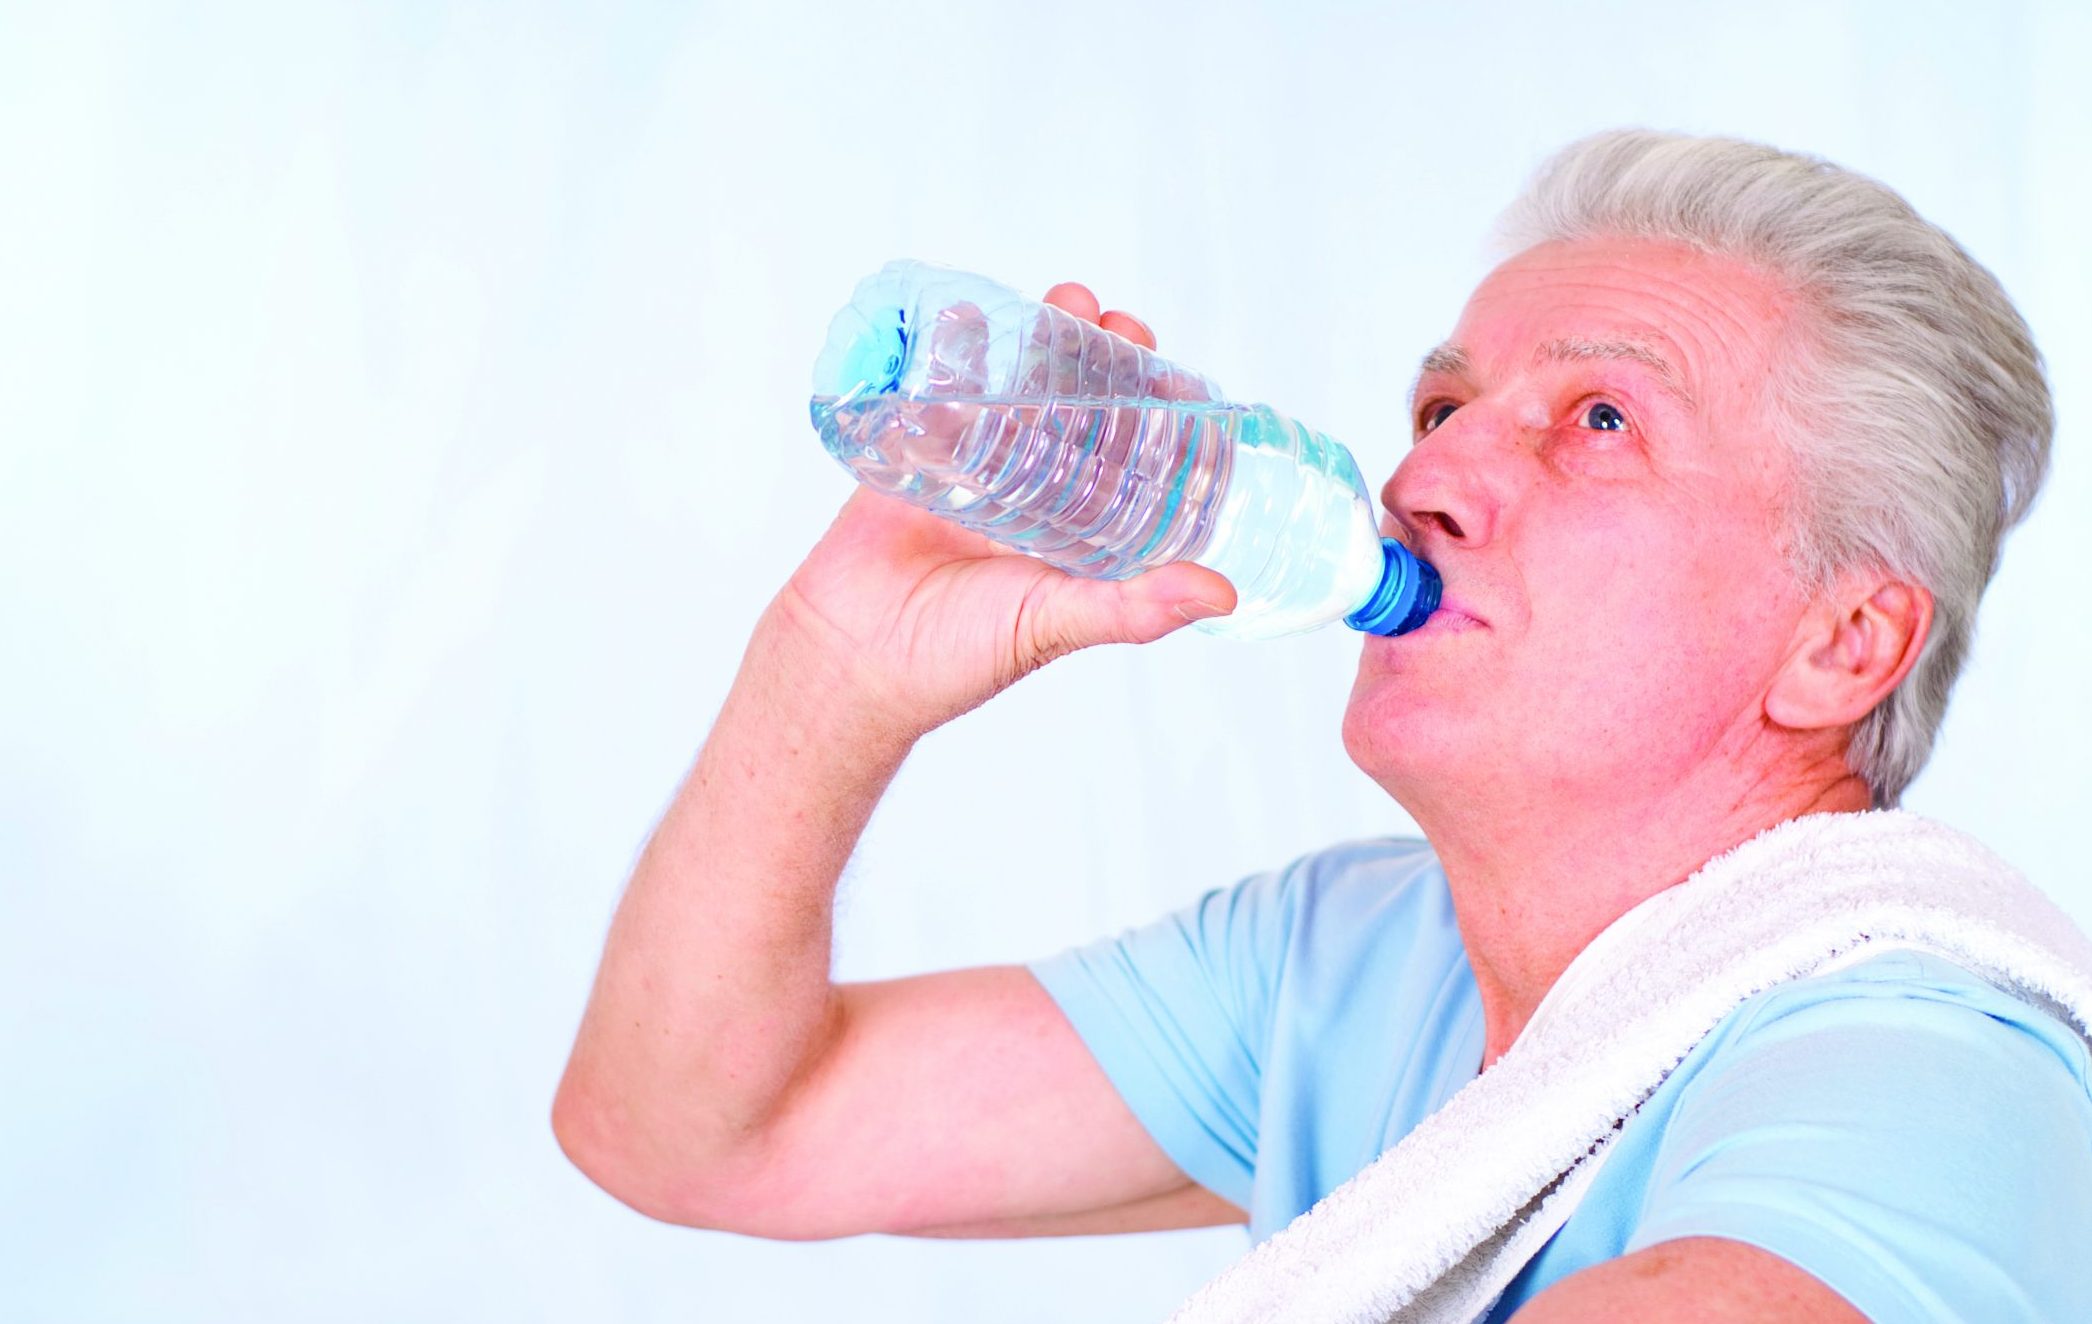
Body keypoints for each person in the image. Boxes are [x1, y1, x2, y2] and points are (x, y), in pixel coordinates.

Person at [551, 130, 2092, 1321]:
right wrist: (837, 666)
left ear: (1841, 644)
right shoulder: (1343, 966)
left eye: (1600, 422)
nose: (1422, 481)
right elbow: (685, 1132)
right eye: (1440, 411)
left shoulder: (1928, 1073)